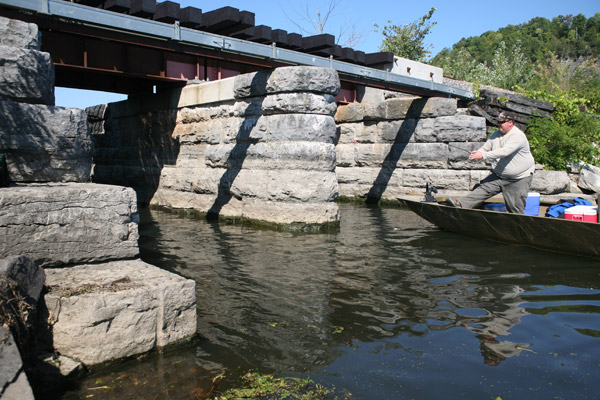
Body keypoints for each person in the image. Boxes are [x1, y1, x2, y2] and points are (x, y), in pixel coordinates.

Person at [446, 112, 535, 213]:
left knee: (515, 208)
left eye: (502, 122)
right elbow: (485, 148)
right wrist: (479, 153)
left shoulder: (518, 136)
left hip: (518, 178)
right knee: (482, 189)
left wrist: (483, 156)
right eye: (498, 122)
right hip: (499, 176)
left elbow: (504, 152)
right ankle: (459, 205)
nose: (499, 124)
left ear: (510, 122)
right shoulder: (495, 135)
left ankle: (518, 226)